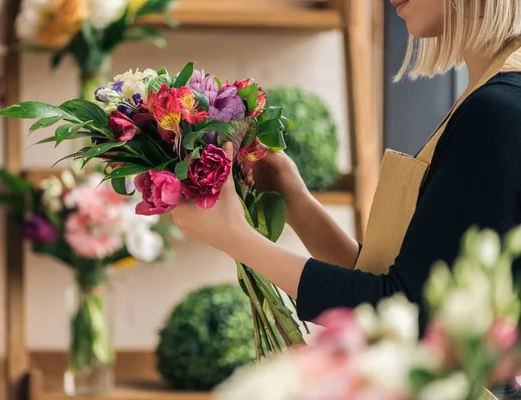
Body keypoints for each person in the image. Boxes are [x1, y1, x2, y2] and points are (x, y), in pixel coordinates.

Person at [171, 0, 521, 334]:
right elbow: (403, 289)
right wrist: (295, 202)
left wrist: (236, 238)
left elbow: (410, 318)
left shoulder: (499, 111)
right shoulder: (493, 99)